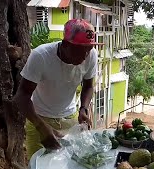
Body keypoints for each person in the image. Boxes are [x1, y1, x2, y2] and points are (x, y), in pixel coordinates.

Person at [13, 19, 102, 160]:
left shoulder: (91, 55)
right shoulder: (41, 56)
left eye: (88, 50)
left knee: (69, 166)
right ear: (66, 44)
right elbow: (21, 96)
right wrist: (41, 127)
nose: (85, 57)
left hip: (70, 119)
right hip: (38, 119)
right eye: (80, 51)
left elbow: (89, 86)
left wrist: (83, 109)